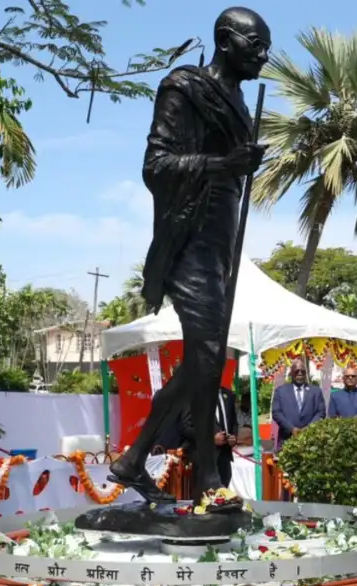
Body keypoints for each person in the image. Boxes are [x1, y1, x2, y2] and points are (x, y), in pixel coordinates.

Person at [108, 6, 271, 504]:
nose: (263, 57)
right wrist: (224, 164)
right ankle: (204, 477)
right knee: (204, 356)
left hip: (220, 243)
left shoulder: (240, 103)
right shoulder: (184, 87)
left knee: (205, 360)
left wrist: (241, 167)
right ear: (225, 41)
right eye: (254, 46)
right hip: (187, 239)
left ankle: (136, 460)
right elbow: (156, 166)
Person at [180, 386, 239, 487]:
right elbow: (185, 427)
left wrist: (233, 437)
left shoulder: (228, 395)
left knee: (223, 492)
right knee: (205, 495)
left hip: (224, 456)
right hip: (203, 456)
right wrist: (211, 438)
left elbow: (233, 422)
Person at [272, 363, 326, 448]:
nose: (300, 373)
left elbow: (321, 413)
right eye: (297, 371)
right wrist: (291, 429)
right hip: (286, 440)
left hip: (310, 441)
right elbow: (276, 413)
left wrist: (308, 429)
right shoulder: (280, 391)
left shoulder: (316, 391)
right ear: (291, 373)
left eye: (303, 371)